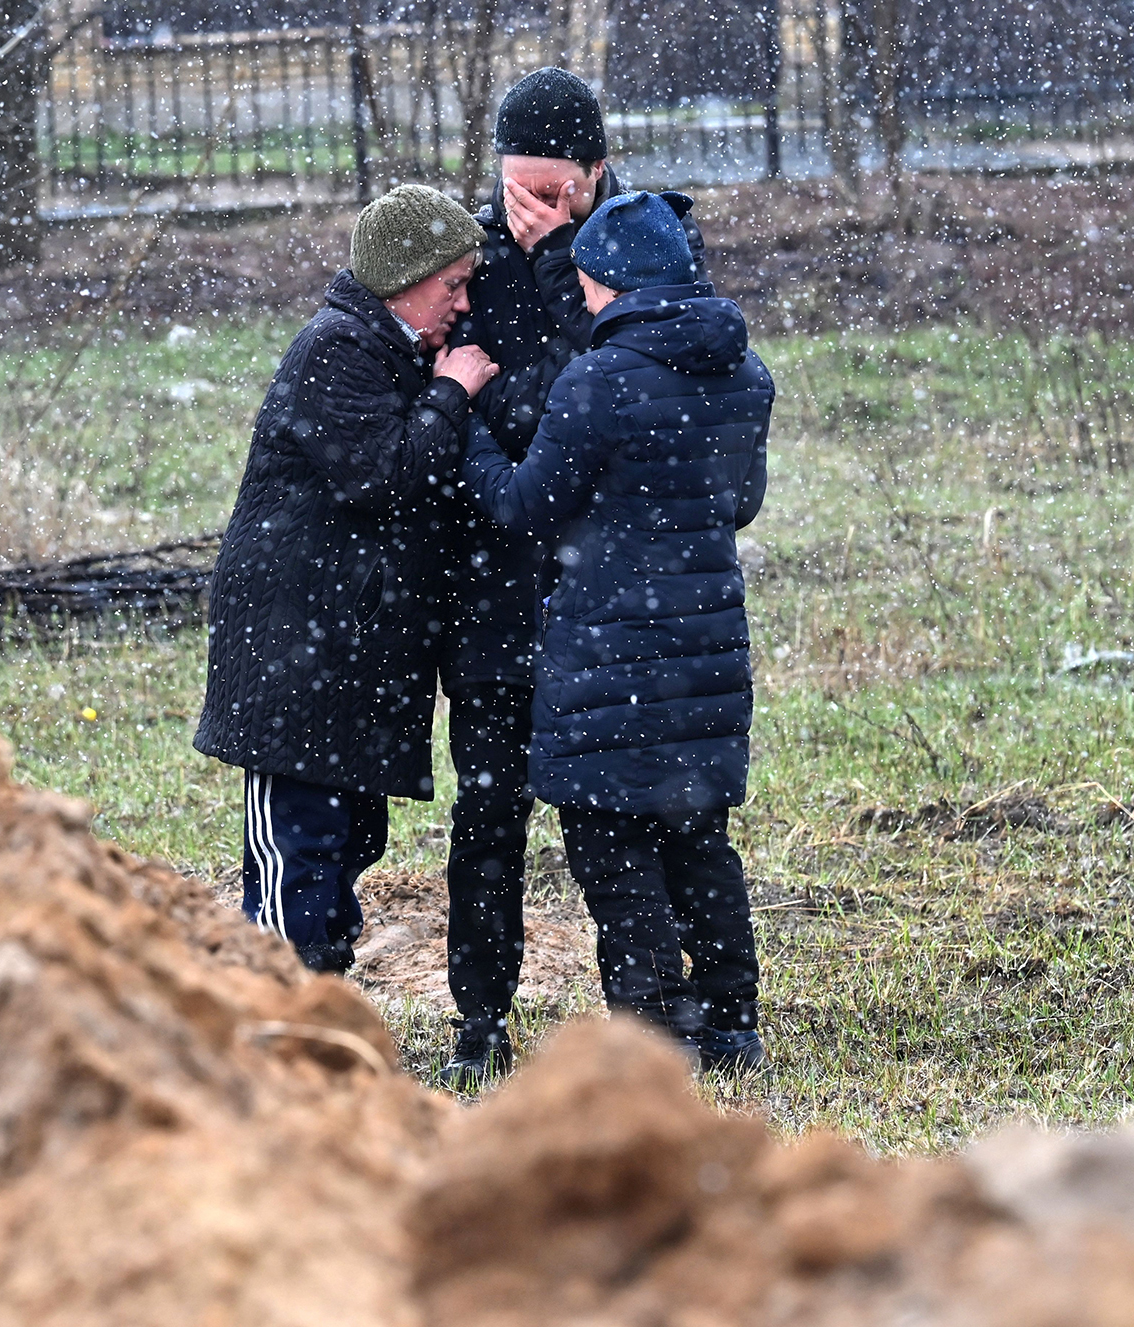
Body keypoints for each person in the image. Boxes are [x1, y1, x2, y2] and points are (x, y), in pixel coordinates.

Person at [435, 66, 706, 1089]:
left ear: (599, 171)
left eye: (556, 191)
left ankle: (659, 1016)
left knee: (635, 818)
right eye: (519, 190)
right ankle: (478, 1018)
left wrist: (556, 266)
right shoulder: (468, 258)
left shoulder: (649, 250)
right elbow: (485, 400)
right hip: (497, 591)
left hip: (615, 602)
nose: (533, 211)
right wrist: (515, 403)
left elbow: (589, 400)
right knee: (487, 816)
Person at [460, 189, 773, 1073]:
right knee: (699, 839)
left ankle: (651, 1029)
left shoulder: (597, 382)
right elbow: (738, 502)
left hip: (610, 652)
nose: (585, 304)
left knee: (612, 843)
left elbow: (524, 506)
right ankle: (732, 1025)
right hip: (705, 651)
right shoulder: (744, 374)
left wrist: (474, 426)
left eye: (590, 288)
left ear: (612, 284)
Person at [195, 184, 498, 973]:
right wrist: (450, 391)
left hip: (342, 650)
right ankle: (282, 1003)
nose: (463, 305)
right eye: (453, 284)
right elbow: (386, 477)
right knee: (299, 841)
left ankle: (317, 990)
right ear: (403, 278)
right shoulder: (337, 348)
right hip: (295, 652)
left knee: (349, 833)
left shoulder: (387, 348)